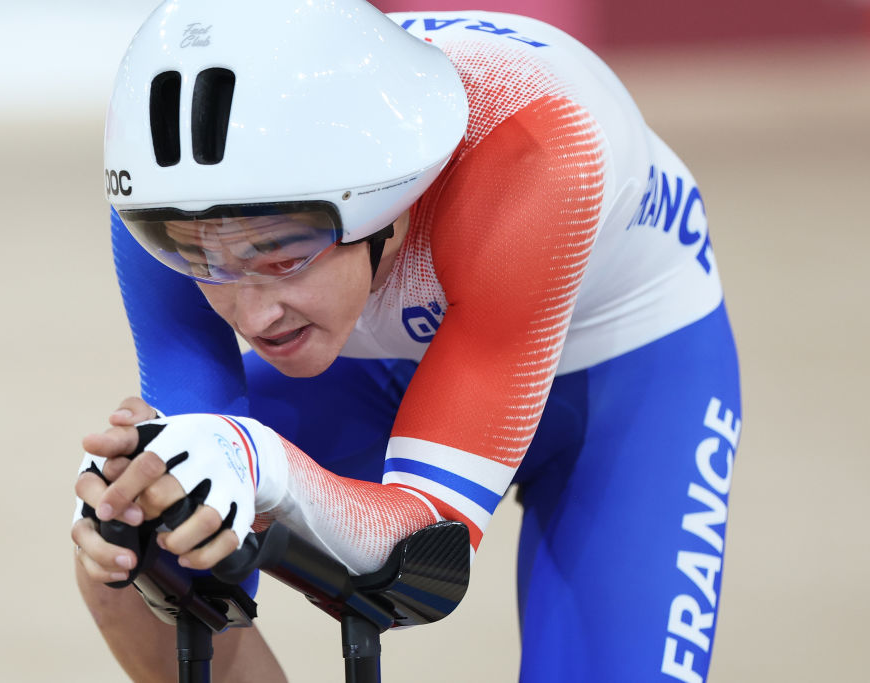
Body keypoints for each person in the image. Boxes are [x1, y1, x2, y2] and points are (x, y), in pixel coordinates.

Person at [72, 1, 742, 681]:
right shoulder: (174, 200)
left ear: (385, 201)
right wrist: (166, 504)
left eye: (280, 255)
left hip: (626, 377)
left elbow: (426, 557)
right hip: (409, 354)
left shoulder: (534, 157)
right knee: (132, 534)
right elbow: (202, 553)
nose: (252, 312)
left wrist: (258, 463)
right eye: (205, 259)